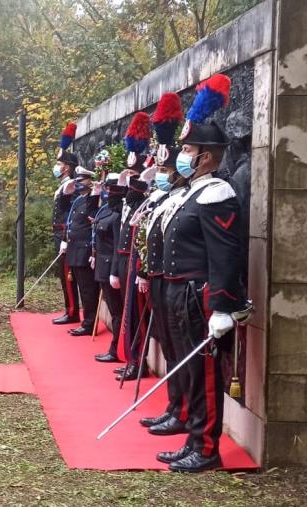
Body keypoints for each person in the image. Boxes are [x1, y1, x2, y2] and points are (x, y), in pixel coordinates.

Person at [157, 74, 246, 472]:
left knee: (206, 374)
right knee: (191, 371)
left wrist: (223, 307)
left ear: (205, 156)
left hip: (199, 295)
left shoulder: (216, 193)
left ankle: (207, 449)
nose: (182, 155)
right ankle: (194, 438)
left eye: (187, 149)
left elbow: (225, 255)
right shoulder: (191, 191)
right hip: (179, 293)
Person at [136, 92, 190, 436]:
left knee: (181, 349)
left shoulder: (188, 197)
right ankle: (174, 406)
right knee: (169, 346)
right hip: (160, 278)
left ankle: (182, 410)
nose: (162, 174)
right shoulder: (163, 198)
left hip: (179, 283)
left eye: (167, 169)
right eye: (162, 168)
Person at [112, 112, 152, 382]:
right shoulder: (129, 201)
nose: (130, 185)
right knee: (129, 315)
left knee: (137, 317)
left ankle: (137, 361)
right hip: (126, 262)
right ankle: (131, 358)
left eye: (134, 180)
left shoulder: (143, 201)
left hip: (137, 264)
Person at [92, 172, 126, 362]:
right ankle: (116, 348)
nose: (107, 191)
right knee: (115, 312)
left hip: (110, 269)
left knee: (117, 313)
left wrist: (114, 272)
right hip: (101, 266)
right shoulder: (106, 209)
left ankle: (116, 350)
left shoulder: (118, 213)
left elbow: (116, 246)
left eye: (110, 188)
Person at [63, 166, 100, 336]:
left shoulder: (93, 200)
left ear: (90, 181)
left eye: (82, 181)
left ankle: (89, 323)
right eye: (77, 180)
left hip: (84, 251)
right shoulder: (78, 200)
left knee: (88, 289)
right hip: (73, 249)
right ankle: (86, 320)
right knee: (80, 288)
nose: (78, 184)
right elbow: (69, 220)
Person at [51, 122, 80, 325]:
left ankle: (72, 311)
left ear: (67, 167)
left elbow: (70, 215)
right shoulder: (63, 185)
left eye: (60, 164)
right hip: (58, 234)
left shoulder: (70, 186)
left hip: (64, 235)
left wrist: (65, 238)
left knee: (68, 275)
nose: (57, 167)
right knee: (63, 275)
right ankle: (68, 308)